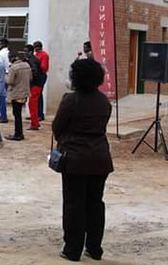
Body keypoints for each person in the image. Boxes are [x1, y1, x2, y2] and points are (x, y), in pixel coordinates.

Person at [53, 58, 113, 262]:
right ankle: (95, 248)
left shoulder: (70, 100)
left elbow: (57, 127)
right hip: (101, 159)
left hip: (75, 160)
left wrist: (67, 141)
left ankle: (72, 249)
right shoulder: (104, 101)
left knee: (74, 204)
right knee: (95, 203)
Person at [5, 52, 32, 141]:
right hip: (25, 92)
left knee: (17, 115)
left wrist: (5, 76)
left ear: (11, 58)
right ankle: (19, 133)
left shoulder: (13, 67)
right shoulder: (27, 65)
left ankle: (18, 134)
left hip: (16, 93)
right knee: (19, 114)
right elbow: (31, 78)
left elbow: (10, 81)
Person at [24, 44, 44, 131]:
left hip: (35, 85)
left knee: (32, 104)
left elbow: (35, 72)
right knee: (32, 104)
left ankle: (34, 125)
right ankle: (35, 122)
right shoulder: (32, 59)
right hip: (36, 84)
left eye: (26, 51)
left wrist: (31, 80)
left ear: (30, 52)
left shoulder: (32, 60)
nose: (24, 53)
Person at [34, 41, 50, 121]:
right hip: (36, 75)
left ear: (40, 47)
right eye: (35, 46)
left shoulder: (44, 55)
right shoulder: (36, 55)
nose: (36, 48)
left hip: (41, 75)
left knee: (39, 95)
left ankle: (40, 114)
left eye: (37, 46)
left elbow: (43, 67)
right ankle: (36, 114)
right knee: (36, 95)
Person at [0, 38, 10, 122]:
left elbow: (0, 66)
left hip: (3, 75)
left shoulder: (1, 53)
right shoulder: (8, 52)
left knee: (1, 97)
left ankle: (3, 116)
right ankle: (1, 114)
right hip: (8, 74)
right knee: (2, 96)